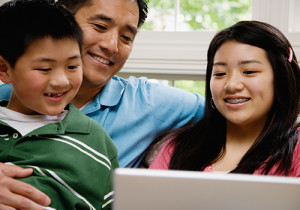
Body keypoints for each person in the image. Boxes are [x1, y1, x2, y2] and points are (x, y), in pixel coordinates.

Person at [0, 0, 205, 169]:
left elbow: (223, 109)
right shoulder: (9, 95)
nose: (111, 46)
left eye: (126, 37)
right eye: (100, 26)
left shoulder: (147, 103)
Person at [0, 0, 118, 209]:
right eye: (45, 68)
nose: (61, 81)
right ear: (4, 69)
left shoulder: (96, 143)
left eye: (72, 66)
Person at [150, 20, 300, 176]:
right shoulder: (177, 148)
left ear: (281, 79)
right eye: (220, 74)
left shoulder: (296, 149)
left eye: (249, 71)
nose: (231, 85)